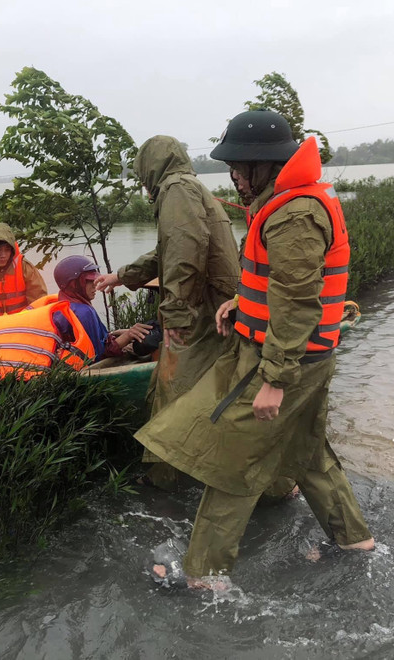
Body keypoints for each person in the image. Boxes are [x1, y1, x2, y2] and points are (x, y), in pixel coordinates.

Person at [138, 110, 374, 589]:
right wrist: (241, 303)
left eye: (239, 169)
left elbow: (298, 301)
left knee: (232, 457)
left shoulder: (294, 215)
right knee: (307, 453)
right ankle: (355, 541)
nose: (234, 178)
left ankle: (203, 575)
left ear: (264, 165)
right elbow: (285, 285)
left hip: (284, 360)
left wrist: (273, 380)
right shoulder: (291, 202)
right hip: (305, 357)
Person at [95, 136, 240, 491]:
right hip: (220, 308)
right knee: (222, 388)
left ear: (150, 166)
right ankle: (227, 471)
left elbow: (184, 253)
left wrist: (174, 313)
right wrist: (122, 276)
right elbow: (169, 252)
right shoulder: (189, 187)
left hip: (205, 311)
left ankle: (165, 478)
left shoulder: (175, 189)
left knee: (173, 389)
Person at [0, 255, 151, 385]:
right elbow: (99, 356)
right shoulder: (82, 311)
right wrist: (128, 336)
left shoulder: (61, 302)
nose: (95, 285)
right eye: (88, 281)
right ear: (74, 284)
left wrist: (119, 334)